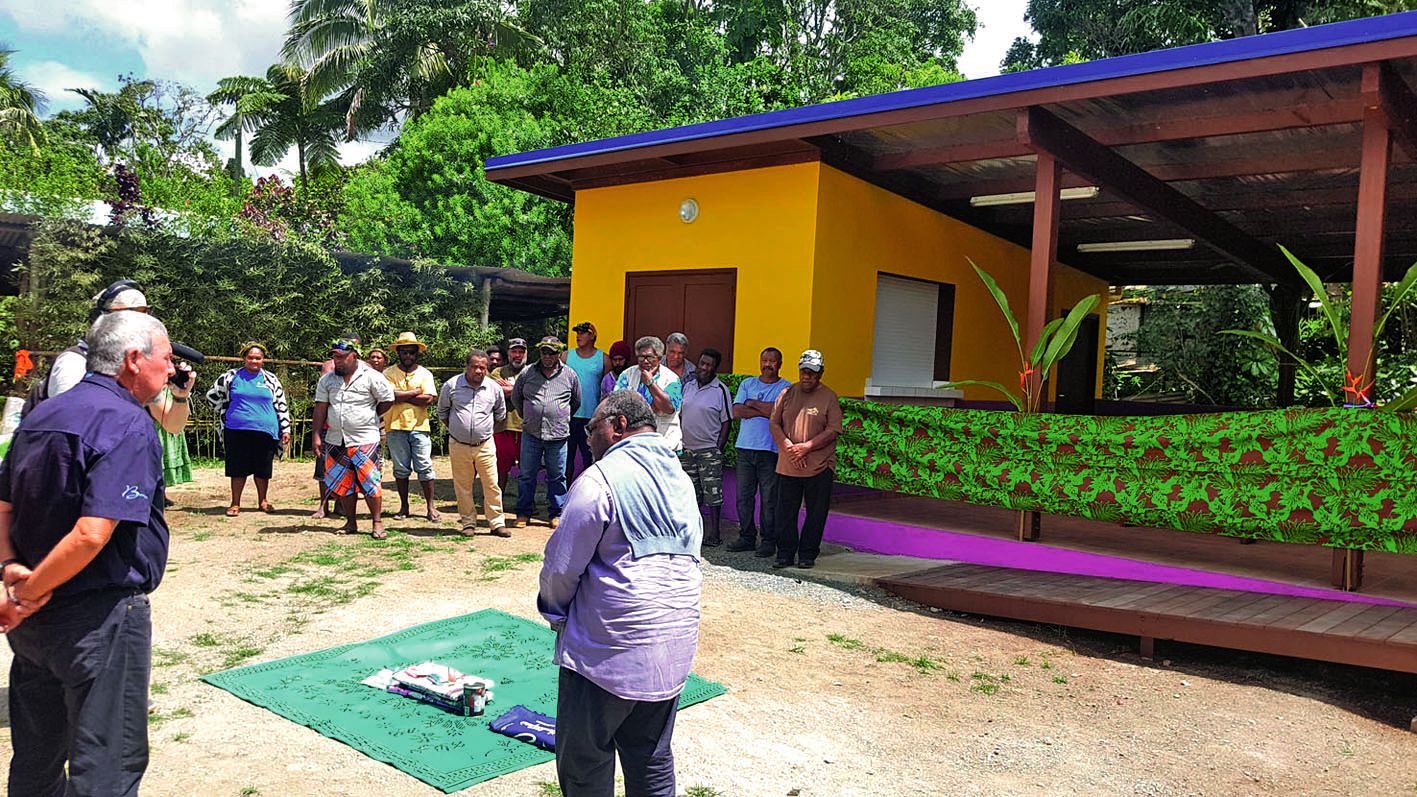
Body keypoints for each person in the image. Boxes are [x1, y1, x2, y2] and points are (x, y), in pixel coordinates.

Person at [0, 310, 175, 795]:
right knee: (106, 763)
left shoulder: (43, 415)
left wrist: (12, 572)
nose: (171, 370)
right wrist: (28, 591)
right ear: (135, 360)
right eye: (166, 358)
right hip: (98, 620)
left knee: (36, 756)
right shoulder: (127, 423)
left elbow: (3, 507)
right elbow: (92, 533)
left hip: (35, 625)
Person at [537, 390, 702, 797]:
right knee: (650, 756)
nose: (589, 438)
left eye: (592, 428)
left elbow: (561, 567)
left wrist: (556, 614)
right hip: (673, 644)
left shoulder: (599, 480)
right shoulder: (679, 478)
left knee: (585, 761)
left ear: (618, 427)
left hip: (608, 650)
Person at [313, 337, 395, 538]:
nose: (337, 361)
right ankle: (351, 522)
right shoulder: (327, 380)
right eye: (334, 357)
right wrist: (316, 435)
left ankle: (376, 522)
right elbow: (320, 408)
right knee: (343, 482)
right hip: (335, 439)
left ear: (354, 356)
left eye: (341, 357)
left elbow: (387, 400)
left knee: (370, 481)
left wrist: (370, 414)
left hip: (364, 439)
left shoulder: (372, 376)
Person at [768, 350, 842, 570]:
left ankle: (808, 554)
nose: (807, 376)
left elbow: (833, 430)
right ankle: (785, 554)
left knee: (816, 513)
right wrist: (790, 447)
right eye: (804, 371)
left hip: (819, 466)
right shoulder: (787, 393)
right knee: (785, 512)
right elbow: (774, 423)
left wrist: (807, 447)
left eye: (812, 372)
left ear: (820, 373)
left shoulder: (829, 396)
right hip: (788, 464)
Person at [205, 343, 293, 517]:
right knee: (237, 468)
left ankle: (263, 501)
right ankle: (235, 503)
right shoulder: (230, 377)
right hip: (236, 430)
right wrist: (227, 411)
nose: (254, 361)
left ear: (263, 360)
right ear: (244, 358)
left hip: (266, 430)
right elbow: (212, 396)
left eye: (258, 358)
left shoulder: (271, 379)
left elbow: (281, 405)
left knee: (263, 468)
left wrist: (286, 428)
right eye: (250, 357)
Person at [727, 347, 793, 556]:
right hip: (745, 448)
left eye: (772, 361)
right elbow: (737, 411)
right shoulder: (748, 384)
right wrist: (768, 411)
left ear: (780, 364)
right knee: (743, 496)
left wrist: (753, 404)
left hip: (770, 450)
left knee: (769, 498)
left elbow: (781, 414)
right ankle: (746, 537)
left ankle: (768, 540)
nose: (768, 365)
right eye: (764, 360)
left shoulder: (786, 388)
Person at [511, 336, 580, 530]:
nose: (548, 356)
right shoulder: (527, 373)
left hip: (557, 435)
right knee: (526, 474)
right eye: (544, 352)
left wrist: (558, 416)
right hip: (531, 433)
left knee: (557, 475)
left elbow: (575, 402)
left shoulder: (570, 375)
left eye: (553, 352)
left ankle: (557, 513)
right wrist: (530, 415)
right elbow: (517, 397)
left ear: (559, 353)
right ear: (539, 352)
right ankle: (523, 512)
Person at [437, 348, 507, 536]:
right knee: (463, 485)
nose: (478, 371)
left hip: (485, 444)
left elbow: (500, 414)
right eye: (474, 367)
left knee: (492, 484)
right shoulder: (451, 386)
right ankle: (468, 523)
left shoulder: (494, 388)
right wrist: (458, 429)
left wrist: (480, 430)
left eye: (483, 368)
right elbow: (442, 412)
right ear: (466, 367)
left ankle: (496, 523)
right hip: (459, 445)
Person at [44, 281, 151, 399]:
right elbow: (69, 413)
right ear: (99, 318)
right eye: (126, 314)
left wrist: (174, 392)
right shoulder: (73, 363)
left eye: (142, 312)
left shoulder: (132, 363)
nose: (138, 322)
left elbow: (166, 416)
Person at [678, 348, 733, 547]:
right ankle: (692, 532)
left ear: (715, 368)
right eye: (702, 363)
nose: (704, 368)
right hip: (687, 450)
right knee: (690, 494)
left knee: (712, 494)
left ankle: (715, 534)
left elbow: (727, 421)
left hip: (708, 450)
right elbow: (680, 414)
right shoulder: (688, 386)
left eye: (709, 365)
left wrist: (718, 448)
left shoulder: (721, 390)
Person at [383, 332, 440, 522]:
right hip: (395, 426)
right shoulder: (388, 373)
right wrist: (416, 392)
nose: (408, 356)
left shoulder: (425, 373)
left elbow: (429, 399)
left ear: (417, 353)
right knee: (400, 469)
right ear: (398, 352)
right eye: (404, 352)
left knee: (424, 466)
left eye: (411, 352)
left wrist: (402, 395)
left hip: (419, 426)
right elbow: (389, 396)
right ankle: (404, 506)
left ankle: (430, 507)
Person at [313, 332, 362, 520]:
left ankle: (343, 506)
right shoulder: (329, 367)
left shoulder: (365, 371)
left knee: (352, 469)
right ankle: (323, 505)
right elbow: (325, 396)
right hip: (330, 424)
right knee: (324, 467)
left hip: (355, 431)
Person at [615, 336, 684, 452]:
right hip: (634, 444)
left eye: (650, 357)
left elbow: (669, 408)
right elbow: (617, 403)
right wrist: (652, 406)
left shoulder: (671, 379)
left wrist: (650, 383)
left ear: (659, 358)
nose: (645, 361)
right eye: (641, 357)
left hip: (665, 445)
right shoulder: (627, 375)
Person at [564, 321, 607, 480]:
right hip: (568, 416)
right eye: (577, 333)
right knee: (566, 457)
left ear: (592, 336)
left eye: (583, 333)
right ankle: (565, 495)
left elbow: (609, 386)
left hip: (591, 417)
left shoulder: (603, 358)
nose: (578, 336)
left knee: (589, 457)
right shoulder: (566, 356)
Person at [149, 363, 196, 503]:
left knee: (164, 455)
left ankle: (161, 493)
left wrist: (180, 396)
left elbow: (174, 423)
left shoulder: (171, 378)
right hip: (154, 425)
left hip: (169, 419)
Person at [492, 338, 529, 494]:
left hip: (526, 427)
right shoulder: (497, 372)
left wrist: (510, 388)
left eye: (521, 352)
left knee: (527, 470)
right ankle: (496, 504)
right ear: (508, 353)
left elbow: (535, 394)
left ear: (526, 354)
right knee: (499, 469)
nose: (517, 355)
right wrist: (521, 390)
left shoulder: (532, 372)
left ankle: (526, 505)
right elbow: (496, 393)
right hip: (502, 426)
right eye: (514, 351)